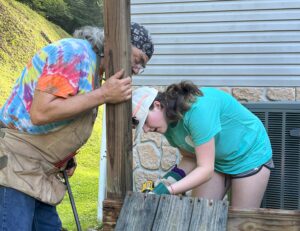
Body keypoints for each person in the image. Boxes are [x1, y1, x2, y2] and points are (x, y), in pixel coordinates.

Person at [0, 22, 153, 230]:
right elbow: (41, 112)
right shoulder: (74, 54)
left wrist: (65, 157)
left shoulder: (94, 70)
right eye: (138, 60)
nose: (137, 69)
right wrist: (104, 94)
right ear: (117, 44)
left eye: (142, 66)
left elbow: (65, 111)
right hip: (16, 165)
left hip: (39, 171)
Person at [132, 81, 273, 209]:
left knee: (240, 223)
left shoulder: (197, 111)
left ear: (157, 105)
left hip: (249, 155)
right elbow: (190, 157)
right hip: (217, 161)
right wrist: (168, 181)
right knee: (198, 214)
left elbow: (205, 170)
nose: (145, 129)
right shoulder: (166, 125)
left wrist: (169, 190)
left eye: (145, 121)